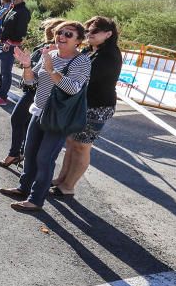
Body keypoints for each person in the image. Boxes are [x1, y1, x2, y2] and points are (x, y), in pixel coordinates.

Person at [1, 21, 91, 212]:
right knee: (31, 153)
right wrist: (26, 66)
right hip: (39, 110)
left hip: (58, 118)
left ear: (79, 41)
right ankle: (23, 188)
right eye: (60, 33)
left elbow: (73, 88)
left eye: (69, 34)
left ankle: (36, 199)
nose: (62, 37)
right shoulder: (49, 55)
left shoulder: (82, 61)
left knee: (44, 158)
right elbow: (31, 82)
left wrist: (51, 70)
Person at [50, 16, 122, 196]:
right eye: (88, 30)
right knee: (71, 142)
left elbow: (86, 78)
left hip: (98, 107)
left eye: (94, 31)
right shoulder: (90, 51)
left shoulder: (109, 55)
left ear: (108, 34)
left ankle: (69, 186)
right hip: (82, 104)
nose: (90, 33)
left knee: (82, 145)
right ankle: (61, 180)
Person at [0, 18, 64, 168]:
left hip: (37, 91)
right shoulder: (46, 46)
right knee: (24, 122)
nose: (46, 32)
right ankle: (20, 153)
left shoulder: (54, 50)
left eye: (49, 29)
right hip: (31, 87)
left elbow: (49, 72)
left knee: (18, 119)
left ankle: (17, 154)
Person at [0, 0, 30, 106]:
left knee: (6, 72)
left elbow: (21, 32)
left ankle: (2, 97)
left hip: (10, 45)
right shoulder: (13, 8)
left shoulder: (23, 12)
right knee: (0, 69)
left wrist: (10, 43)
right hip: (2, 42)